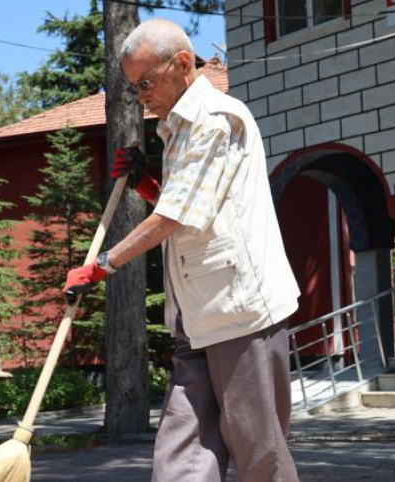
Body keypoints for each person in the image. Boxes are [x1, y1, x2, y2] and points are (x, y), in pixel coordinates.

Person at [62, 18, 301, 482]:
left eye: (146, 82)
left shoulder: (214, 120)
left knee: (260, 459)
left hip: (240, 315)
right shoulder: (179, 132)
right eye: (133, 87)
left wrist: (101, 266)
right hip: (195, 321)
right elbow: (196, 209)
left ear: (184, 63)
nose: (141, 96)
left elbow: (177, 217)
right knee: (180, 460)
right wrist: (147, 183)